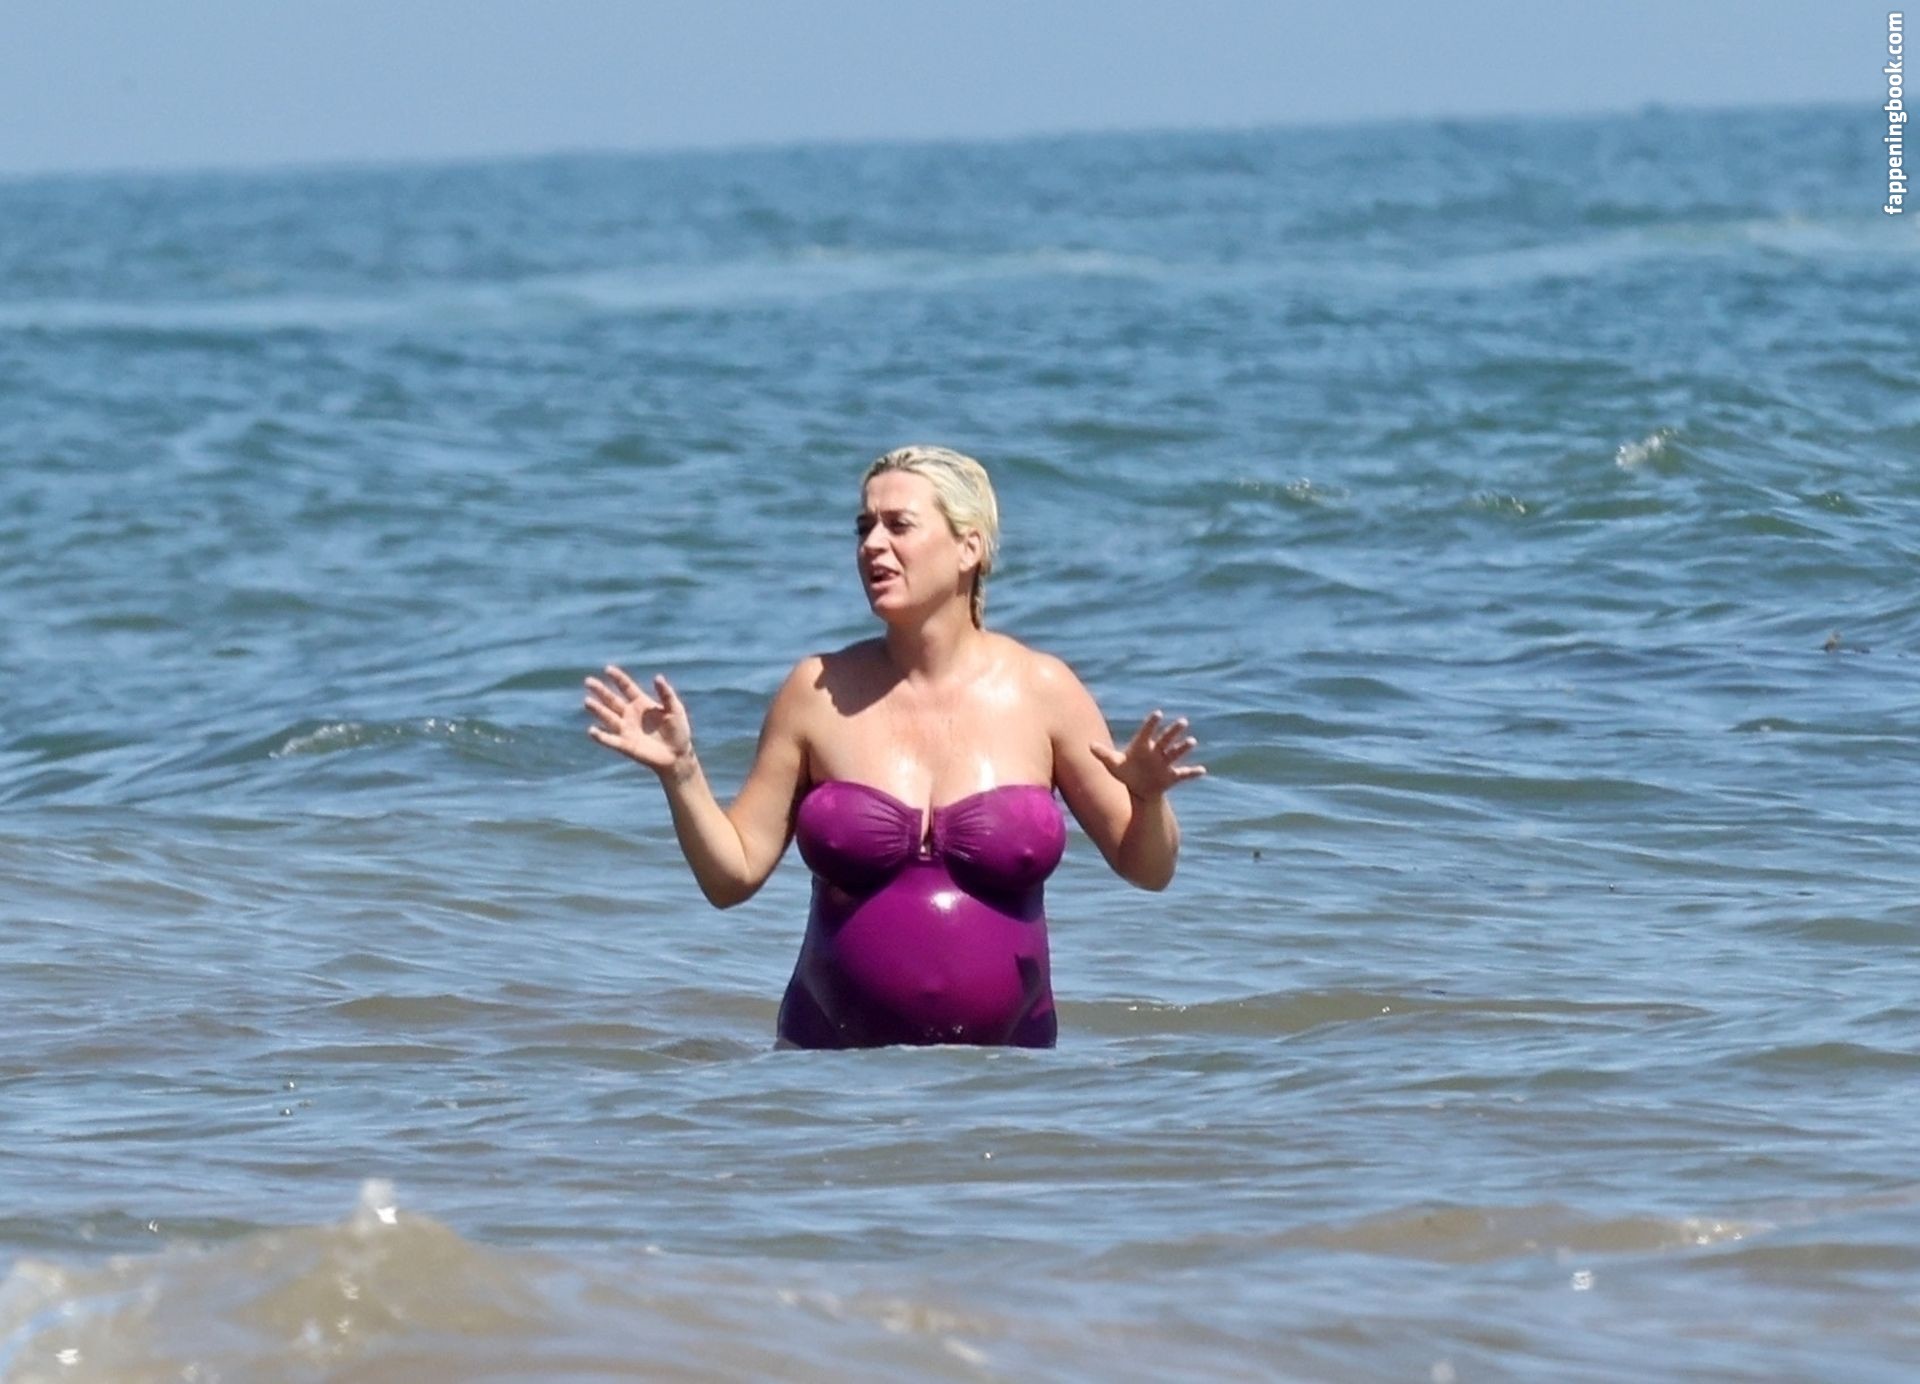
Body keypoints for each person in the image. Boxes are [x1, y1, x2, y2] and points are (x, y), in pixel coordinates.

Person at [582, 445, 1204, 1048]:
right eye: (864, 528)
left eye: (898, 525)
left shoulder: (1043, 691)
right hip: (831, 1079)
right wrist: (682, 773)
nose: (872, 545)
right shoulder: (816, 691)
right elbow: (732, 877)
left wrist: (1149, 800)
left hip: (1006, 1083)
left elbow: (1148, 870)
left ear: (969, 547)